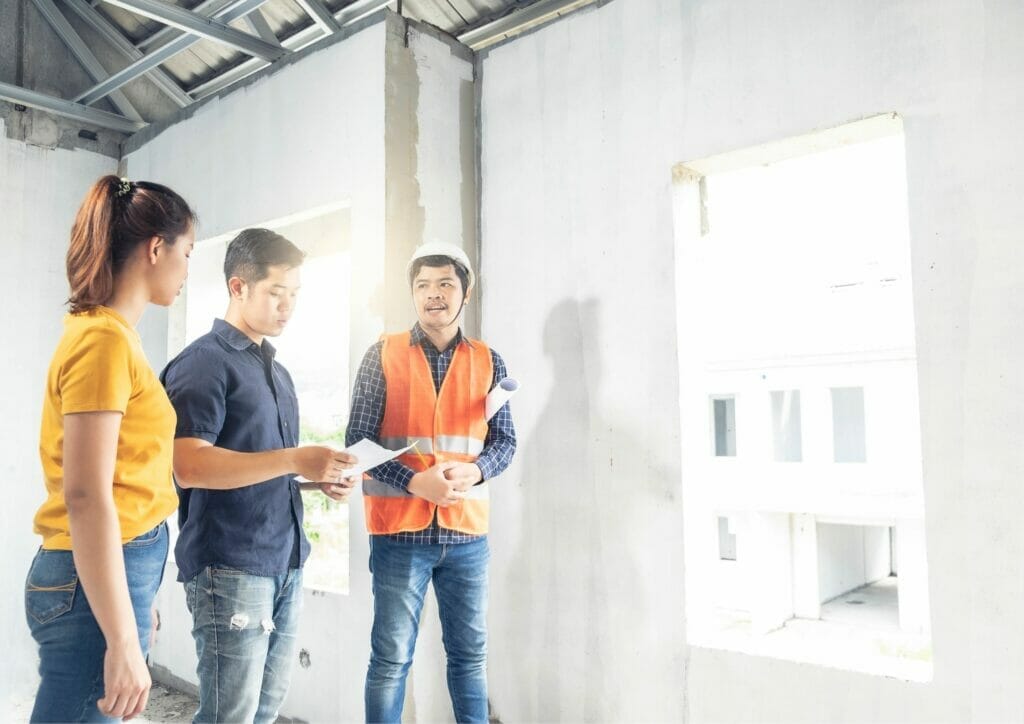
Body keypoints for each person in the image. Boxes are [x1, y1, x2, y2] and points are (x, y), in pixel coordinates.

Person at [160, 227, 356, 723]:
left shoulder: (277, 371)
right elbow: (190, 465)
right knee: (231, 716)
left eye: (294, 295)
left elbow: (259, 466)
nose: (287, 307)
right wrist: (294, 460)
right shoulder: (204, 364)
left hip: (284, 560)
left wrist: (317, 478)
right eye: (275, 293)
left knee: (263, 714)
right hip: (229, 565)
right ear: (237, 287)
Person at [26, 175, 196, 722]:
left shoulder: (112, 336)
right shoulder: (102, 340)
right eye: (187, 252)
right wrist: (121, 637)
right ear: (155, 249)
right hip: (92, 573)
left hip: (112, 567)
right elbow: (85, 495)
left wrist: (132, 605)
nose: (188, 271)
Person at [348, 241, 517, 724]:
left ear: (466, 292)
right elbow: (357, 439)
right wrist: (413, 482)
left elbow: (504, 442)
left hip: (467, 537)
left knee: (469, 661)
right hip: (400, 534)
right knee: (390, 661)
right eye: (423, 285)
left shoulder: (490, 361)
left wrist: (477, 469)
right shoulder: (382, 354)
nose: (433, 294)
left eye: (445, 283)